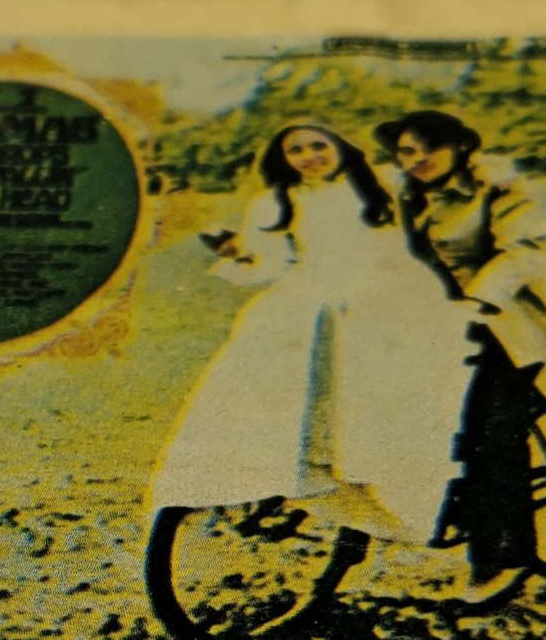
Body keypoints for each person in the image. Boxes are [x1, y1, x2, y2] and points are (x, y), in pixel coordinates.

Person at [150, 121, 473, 549]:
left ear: (340, 145)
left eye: (318, 145)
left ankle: (405, 497)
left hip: (391, 302)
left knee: (392, 407)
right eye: (296, 150)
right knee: (285, 401)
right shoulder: (274, 203)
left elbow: (442, 195)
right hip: (309, 306)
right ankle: (300, 480)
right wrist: (241, 253)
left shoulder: (384, 184)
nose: (310, 156)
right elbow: (270, 264)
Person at [376, 109, 546, 606]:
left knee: (489, 431)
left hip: (512, 316)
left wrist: (477, 300)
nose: (419, 159)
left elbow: (523, 250)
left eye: (431, 147)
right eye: (407, 151)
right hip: (446, 321)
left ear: (461, 147)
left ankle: (503, 558)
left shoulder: (498, 186)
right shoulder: (405, 192)